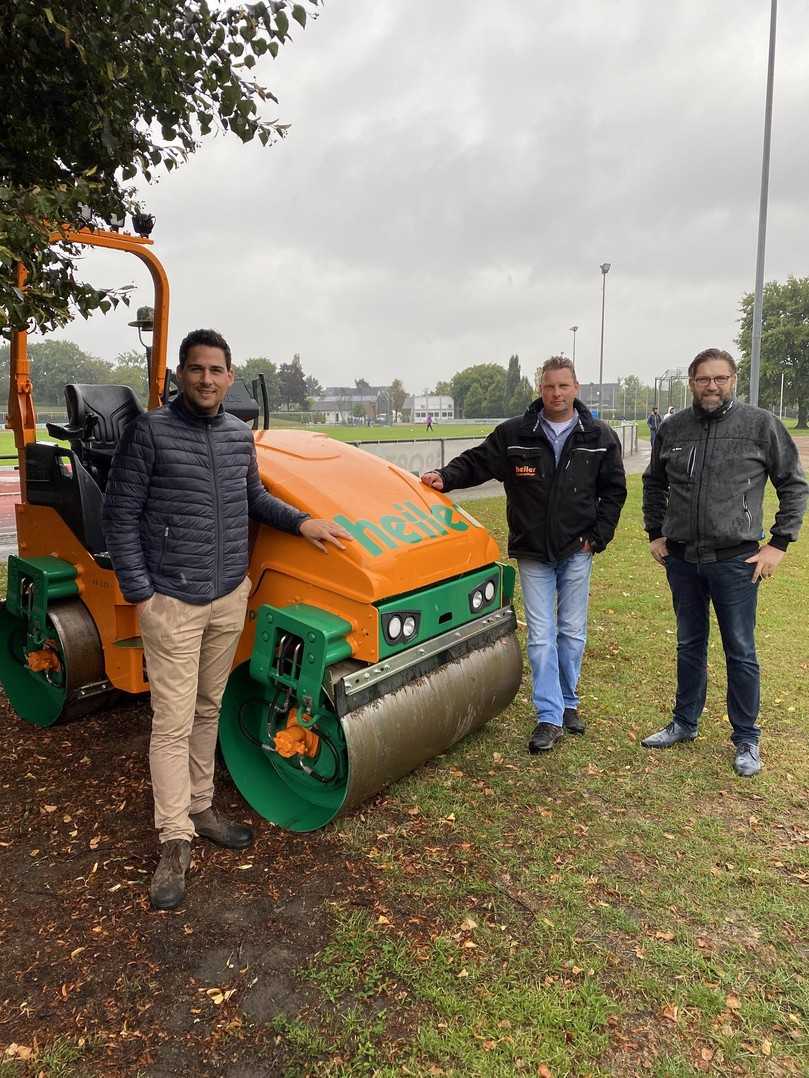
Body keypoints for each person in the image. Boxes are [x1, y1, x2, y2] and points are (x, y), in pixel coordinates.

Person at [103, 328, 351, 910]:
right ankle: (174, 839)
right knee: (171, 720)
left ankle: (201, 807)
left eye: (216, 370)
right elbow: (120, 517)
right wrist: (144, 594)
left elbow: (255, 499)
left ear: (230, 376)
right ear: (180, 376)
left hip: (225, 598)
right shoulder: (150, 433)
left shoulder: (239, 436)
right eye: (196, 370)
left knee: (208, 707)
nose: (207, 380)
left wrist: (303, 522)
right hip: (172, 602)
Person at [421, 356, 627, 754]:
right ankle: (548, 716)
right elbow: (478, 461)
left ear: (576, 388)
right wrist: (445, 477)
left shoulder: (598, 435)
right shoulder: (515, 434)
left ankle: (568, 701)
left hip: (576, 550)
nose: (556, 393)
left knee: (571, 632)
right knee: (541, 635)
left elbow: (614, 491)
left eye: (564, 386)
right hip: (533, 551)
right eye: (549, 386)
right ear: (540, 389)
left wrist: (597, 536)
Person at [641, 347, 807, 776]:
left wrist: (779, 544)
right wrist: (656, 533)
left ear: (733, 379)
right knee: (689, 644)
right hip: (682, 560)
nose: (711, 386)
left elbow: (793, 484)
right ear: (692, 382)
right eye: (702, 379)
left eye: (720, 378)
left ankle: (747, 738)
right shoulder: (674, 428)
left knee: (740, 648)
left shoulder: (760, 425)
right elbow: (653, 483)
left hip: (737, 562)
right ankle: (684, 722)